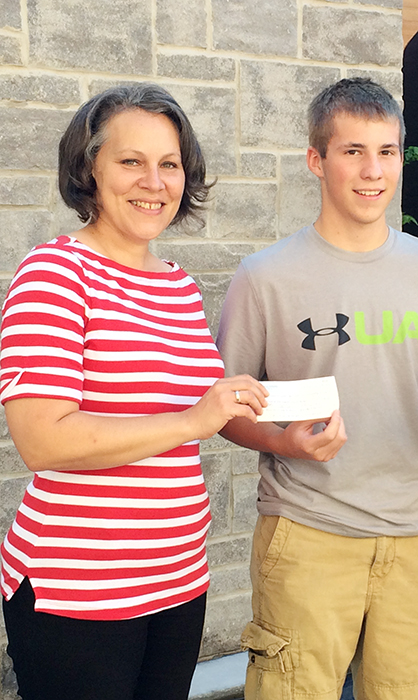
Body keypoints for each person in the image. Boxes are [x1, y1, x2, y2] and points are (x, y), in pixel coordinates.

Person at [216, 77, 418, 700]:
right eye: (352, 152)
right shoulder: (264, 277)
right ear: (317, 160)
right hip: (307, 529)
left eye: (387, 152)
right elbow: (226, 410)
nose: (373, 172)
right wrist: (288, 443)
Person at [0, 84, 268, 700]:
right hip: (80, 591)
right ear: (89, 170)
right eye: (131, 161)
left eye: (169, 163)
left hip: (177, 579)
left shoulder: (176, 285)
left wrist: (284, 434)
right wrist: (189, 420)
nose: (154, 181)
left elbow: (203, 409)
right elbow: (42, 439)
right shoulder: (54, 274)